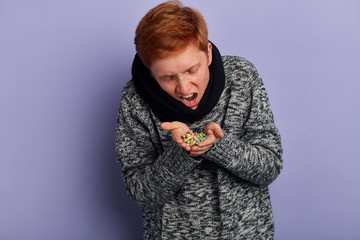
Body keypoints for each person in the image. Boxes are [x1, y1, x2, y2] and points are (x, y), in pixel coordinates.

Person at [115, 0, 283, 239]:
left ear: (208, 54)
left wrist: (217, 146)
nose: (184, 88)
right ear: (151, 72)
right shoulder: (134, 100)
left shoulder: (242, 78)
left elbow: (270, 167)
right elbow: (140, 192)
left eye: (192, 70)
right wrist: (182, 153)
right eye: (168, 77)